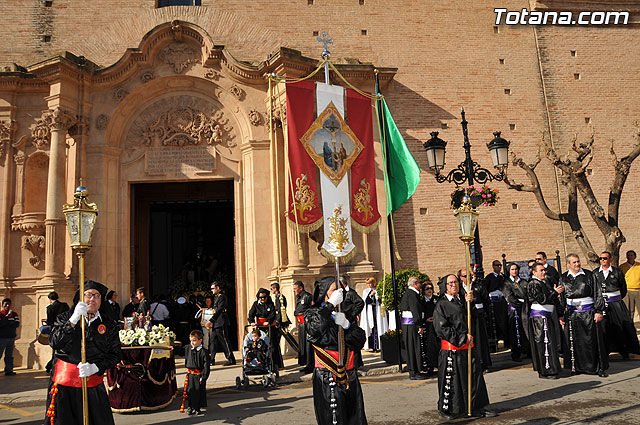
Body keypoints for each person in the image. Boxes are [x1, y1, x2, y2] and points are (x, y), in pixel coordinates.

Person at [45, 280, 121, 424]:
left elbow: (115, 354)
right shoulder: (64, 318)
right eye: (88, 295)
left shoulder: (108, 324)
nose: (92, 299)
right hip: (64, 387)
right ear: (80, 298)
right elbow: (55, 342)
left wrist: (96, 367)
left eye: (97, 295)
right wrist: (72, 321)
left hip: (93, 387)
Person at [305, 276, 367, 425]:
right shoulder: (313, 313)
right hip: (327, 374)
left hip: (349, 373)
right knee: (333, 417)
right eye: (334, 290)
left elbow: (359, 340)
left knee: (354, 417)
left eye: (340, 290)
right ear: (325, 293)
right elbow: (314, 331)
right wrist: (329, 306)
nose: (339, 293)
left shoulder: (344, 313)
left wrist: (347, 325)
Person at [434, 274, 494, 419]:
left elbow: (472, 318)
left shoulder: (462, 300)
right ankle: (447, 410)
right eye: (450, 283)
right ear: (445, 287)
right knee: (452, 381)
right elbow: (441, 329)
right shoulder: (441, 304)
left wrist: (470, 303)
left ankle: (476, 407)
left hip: (468, 347)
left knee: (474, 378)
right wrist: (461, 338)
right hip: (452, 349)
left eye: (456, 282)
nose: (454, 285)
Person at [560, 254, 608, 377]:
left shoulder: (589, 275)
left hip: (588, 313)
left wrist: (598, 310)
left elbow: (598, 293)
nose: (577, 264)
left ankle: (597, 368)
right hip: (572, 314)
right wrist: (561, 314)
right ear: (568, 264)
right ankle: (576, 367)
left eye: (578, 261)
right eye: (574, 262)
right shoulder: (563, 278)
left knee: (591, 340)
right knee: (575, 342)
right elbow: (561, 298)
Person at [595, 251, 640, 359]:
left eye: (605, 258)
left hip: (616, 303)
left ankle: (625, 350)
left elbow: (623, 288)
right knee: (604, 327)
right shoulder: (595, 273)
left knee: (623, 325)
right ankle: (604, 352)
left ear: (610, 259)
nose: (602, 260)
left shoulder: (617, 272)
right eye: (601, 258)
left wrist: (616, 299)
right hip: (602, 304)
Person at [528, 263, 564, 379]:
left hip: (547, 316)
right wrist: (555, 293)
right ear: (534, 272)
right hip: (540, 318)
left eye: (544, 270)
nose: (544, 272)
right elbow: (542, 299)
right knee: (544, 343)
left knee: (550, 342)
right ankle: (547, 370)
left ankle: (552, 368)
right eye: (541, 270)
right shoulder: (533, 284)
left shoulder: (543, 282)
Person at [457, 268, 491, 370]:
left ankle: (483, 363)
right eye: (465, 276)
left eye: (470, 275)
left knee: (480, 339)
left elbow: (486, 301)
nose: (468, 278)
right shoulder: (459, 289)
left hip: (478, 317)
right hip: (465, 318)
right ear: (460, 278)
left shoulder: (478, 287)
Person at [400, 276, 428, 380]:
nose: (420, 285)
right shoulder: (412, 294)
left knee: (411, 347)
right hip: (412, 325)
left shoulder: (408, 293)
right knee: (413, 347)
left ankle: (414, 370)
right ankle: (414, 371)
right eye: (419, 283)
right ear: (415, 284)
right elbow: (415, 310)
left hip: (408, 324)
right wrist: (419, 325)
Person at [503, 263, 529, 362]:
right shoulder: (507, 283)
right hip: (514, 310)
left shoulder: (523, 282)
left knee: (525, 329)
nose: (514, 271)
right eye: (512, 269)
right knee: (515, 332)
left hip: (524, 309)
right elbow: (509, 297)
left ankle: (527, 350)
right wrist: (520, 304)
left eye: (516, 269)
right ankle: (516, 353)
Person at [180, 329, 210, 416]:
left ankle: (197, 407)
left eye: (194, 340)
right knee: (189, 391)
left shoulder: (204, 352)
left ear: (200, 340)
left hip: (198, 375)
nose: (192, 342)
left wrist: (204, 377)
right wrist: (173, 348)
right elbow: (180, 351)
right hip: (190, 374)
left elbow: (206, 366)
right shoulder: (188, 348)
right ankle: (190, 406)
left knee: (198, 391)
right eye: (191, 340)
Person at [206, 282, 236, 366]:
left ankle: (231, 358)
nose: (212, 290)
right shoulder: (216, 297)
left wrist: (211, 320)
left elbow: (219, 310)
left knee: (224, 340)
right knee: (212, 341)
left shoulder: (222, 296)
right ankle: (211, 359)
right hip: (216, 322)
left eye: (213, 288)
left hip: (221, 321)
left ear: (217, 288)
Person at [484, 260, 509, 352]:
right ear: (493, 266)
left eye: (500, 265)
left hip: (502, 301)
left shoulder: (503, 277)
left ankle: (506, 339)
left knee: (504, 320)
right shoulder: (490, 277)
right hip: (493, 303)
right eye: (497, 265)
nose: (499, 267)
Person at [360, 277, 388, 352]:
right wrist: (370, 296)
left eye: (370, 283)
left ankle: (377, 346)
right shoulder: (365, 292)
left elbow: (379, 301)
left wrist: (376, 296)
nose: (369, 285)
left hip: (377, 312)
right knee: (370, 328)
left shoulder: (377, 291)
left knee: (377, 327)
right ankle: (370, 345)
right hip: (369, 312)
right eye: (368, 284)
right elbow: (366, 301)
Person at [45, 292, 70, 373]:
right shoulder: (64, 305)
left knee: (56, 349)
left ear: (50, 299)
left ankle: (51, 365)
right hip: (66, 329)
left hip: (56, 330)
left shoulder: (50, 308)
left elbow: (50, 321)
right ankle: (51, 365)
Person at [293, 280, 314, 373]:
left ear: (300, 288)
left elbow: (313, 309)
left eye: (295, 289)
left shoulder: (308, 296)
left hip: (306, 324)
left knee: (308, 345)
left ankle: (310, 365)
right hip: (301, 324)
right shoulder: (299, 297)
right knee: (303, 345)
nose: (294, 291)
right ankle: (305, 363)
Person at [420, 281, 439, 375]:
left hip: (436, 324)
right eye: (427, 289)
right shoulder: (421, 301)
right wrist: (426, 319)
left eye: (431, 288)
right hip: (427, 326)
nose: (429, 290)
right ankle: (430, 366)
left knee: (437, 345)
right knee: (428, 346)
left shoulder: (436, 299)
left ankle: (438, 364)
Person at [270, 282, 289, 369]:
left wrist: (277, 322)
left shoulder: (279, 297)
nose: (271, 291)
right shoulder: (277, 297)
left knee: (275, 344)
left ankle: (278, 364)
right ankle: (278, 364)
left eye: (271, 289)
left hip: (280, 322)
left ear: (275, 289)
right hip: (279, 321)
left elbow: (280, 311)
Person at [0, 298, 19, 376]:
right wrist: (7, 318)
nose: (7, 306)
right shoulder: (0, 314)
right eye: (5, 305)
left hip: (11, 337)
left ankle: (8, 370)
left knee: (9, 355)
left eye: (9, 304)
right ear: (2, 305)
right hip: (2, 338)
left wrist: (7, 323)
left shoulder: (14, 314)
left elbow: (16, 324)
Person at [620, 250, 640, 323]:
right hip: (628, 291)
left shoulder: (639, 266)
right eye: (628, 255)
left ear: (635, 257)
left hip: (638, 291)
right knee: (629, 311)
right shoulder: (622, 267)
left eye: (631, 255)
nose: (630, 257)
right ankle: (631, 329)